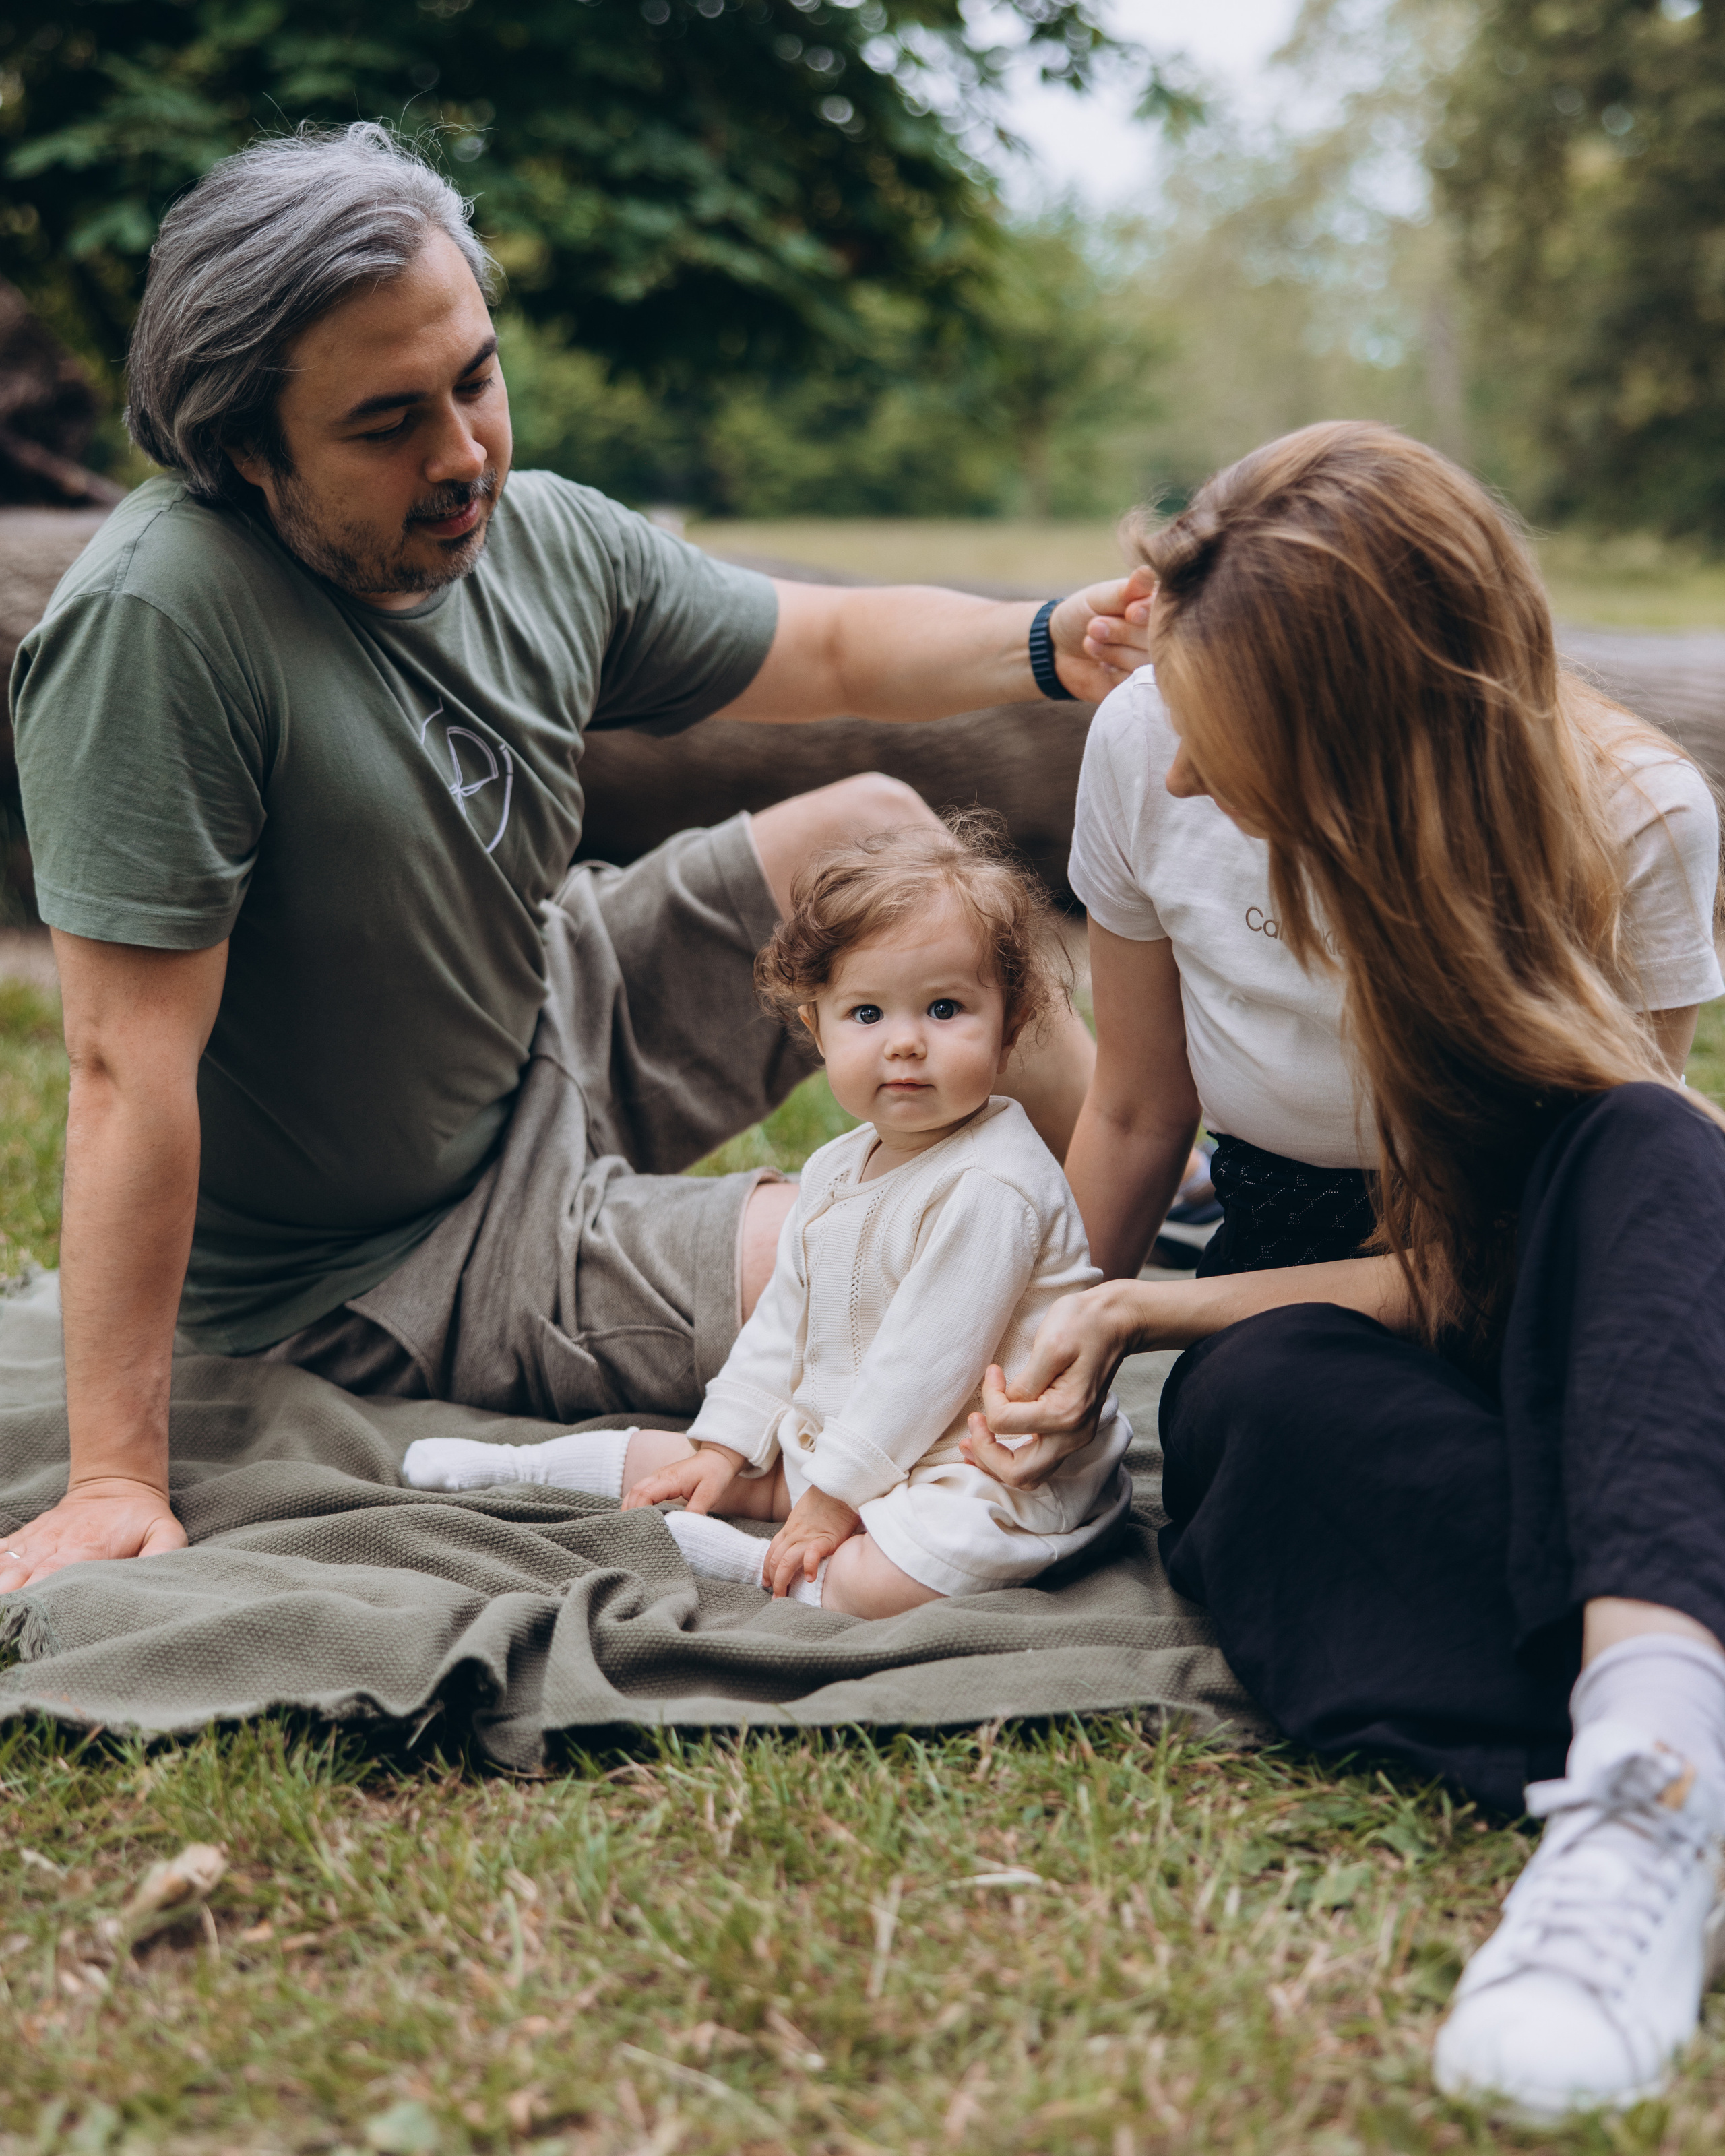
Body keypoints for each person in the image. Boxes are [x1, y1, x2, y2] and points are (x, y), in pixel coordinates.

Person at [0, 122, 1160, 1595]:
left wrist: (1060, 638)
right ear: (242, 449)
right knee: (896, 1264)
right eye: (385, 423)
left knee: (875, 828)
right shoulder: (159, 632)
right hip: (393, 1256)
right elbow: (120, 1073)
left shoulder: (534, 536)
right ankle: (1066, 1283)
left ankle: (1118, 1224)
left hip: (544, 1007)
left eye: (474, 378)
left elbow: (828, 640)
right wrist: (113, 1476)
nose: (462, 451)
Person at [966, 422, 1725, 2122]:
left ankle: (1649, 1788)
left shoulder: (1632, 822)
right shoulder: (1144, 737)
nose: (1172, 775)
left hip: (1559, 1288)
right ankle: (1658, 1736)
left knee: (1656, 1141)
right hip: (1306, 1285)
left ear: (1370, 740)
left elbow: (1514, 1262)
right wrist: (1030, 1352)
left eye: (1220, 745)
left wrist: (1152, 1303)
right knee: (1256, 1416)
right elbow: (1140, 1113)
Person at [404, 818, 1133, 1618]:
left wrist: (831, 1502)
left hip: (982, 1458)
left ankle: (762, 1566)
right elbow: (782, 1326)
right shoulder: (832, 1169)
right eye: (867, 1014)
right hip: (861, 1434)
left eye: (945, 1007)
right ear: (815, 1027)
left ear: (1011, 1021)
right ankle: (518, 1466)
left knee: (914, 1566)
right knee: (686, 1457)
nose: (905, 1044)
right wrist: (722, 1444)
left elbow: (927, 1363)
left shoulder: (995, 1182)